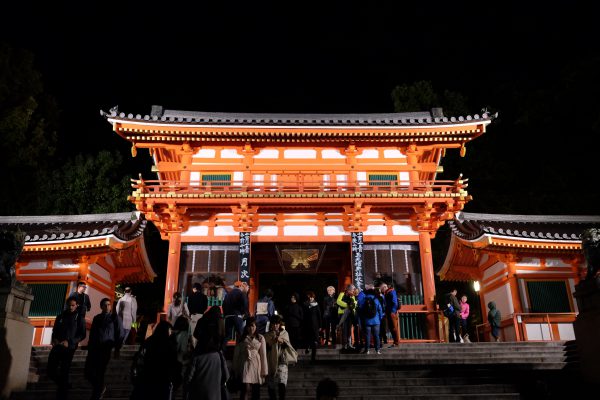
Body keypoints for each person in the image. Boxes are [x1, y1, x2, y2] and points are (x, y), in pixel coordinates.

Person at [85, 298, 124, 400]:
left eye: (109, 305)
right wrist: (89, 346)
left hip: (106, 348)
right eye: (105, 305)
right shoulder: (96, 318)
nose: (107, 307)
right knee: (87, 372)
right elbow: (92, 333)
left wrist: (117, 348)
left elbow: (120, 333)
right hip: (94, 348)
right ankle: (101, 388)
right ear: (101, 307)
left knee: (100, 372)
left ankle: (96, 395)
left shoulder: (115, 317)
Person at [185, 306, 228, 400]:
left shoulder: (202, 319)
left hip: (201, 349)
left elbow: (195, 334)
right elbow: (223, 336)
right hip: (216, 351)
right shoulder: (220, 320)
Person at [47, 298, 86, 400]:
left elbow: (82, 334)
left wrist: (70, 342)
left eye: (73, 305)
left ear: (76, 305)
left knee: (64, 371)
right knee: (50, 371)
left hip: (69, 348)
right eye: (69, 305)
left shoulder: (80, 318)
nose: (70, 307)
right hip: (57, 346)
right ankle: (65, 385)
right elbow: (54, 330)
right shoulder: (60, 316)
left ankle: (62, 395)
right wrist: (54, 338)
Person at [130, 320, 179, 400]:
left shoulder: (148, 342)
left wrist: (136, 377)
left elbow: (139, 360)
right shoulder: (169, 346)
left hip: (146, 379)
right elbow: (173, 365)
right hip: (162, 382)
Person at [233, 317, 268, 400]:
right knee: (245, 389)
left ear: (256, 326)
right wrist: (235, 369)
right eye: (249, 326)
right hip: (245, 363)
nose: (251, 328)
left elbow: (263, 355)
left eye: (253, 326)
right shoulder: (242, 338)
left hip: (256, 365)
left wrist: (264, 371)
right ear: (246, 327)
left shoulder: (260, 338)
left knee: (256, 391)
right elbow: (236, 354)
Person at [264, 315, 292, 400]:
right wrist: (272, 341)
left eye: (277, 323)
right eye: (274, 323)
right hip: (271, 362)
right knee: (271, 385)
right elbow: (265, 347)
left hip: (282, 361)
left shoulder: (284, 333)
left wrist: (280, 340)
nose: (276, 325)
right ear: (271, 324)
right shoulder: (267, 335)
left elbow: (287, 345)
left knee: (282, 384)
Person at [222, 281, 250, 346]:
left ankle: (221, 350)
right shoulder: (241, 294)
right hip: (237, 315)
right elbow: (244, 305)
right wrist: (244, 314)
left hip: (228, 316)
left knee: (227, 336)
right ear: (242, 286)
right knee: (241, 334)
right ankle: (240, 350)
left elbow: (223, 305)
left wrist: (225, 314)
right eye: (247, 287)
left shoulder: (228, 294)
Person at [170, 316, 192, 394]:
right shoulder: (184, 334)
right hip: (178, 361)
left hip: (170, 360)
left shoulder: (172, 333)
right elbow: (183, 350)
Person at [360, 285, 383, 355]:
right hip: (376, 321)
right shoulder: (376, 299)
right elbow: (380, 310)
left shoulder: (364, 299)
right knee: (376, 335)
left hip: (367, 321)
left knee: (367, 335)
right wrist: (380, 318)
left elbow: (361, 309)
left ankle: (367, 350)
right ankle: (378, 350)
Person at [303, 291, 322, 362]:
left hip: (315, 325)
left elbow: (319, 315)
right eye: (309, 297)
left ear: (313, 297)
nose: (310, 298)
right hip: (308, 324)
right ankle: (307, 348)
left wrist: (320, 325)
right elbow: (304, 315)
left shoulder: (316, 304)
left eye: (312, 297)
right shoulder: (305, 304)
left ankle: (313, 357)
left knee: (315, 341)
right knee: (308, 338)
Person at [188, 282, 208, 347]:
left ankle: (194, 347)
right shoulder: (204, 296)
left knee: (193, 332)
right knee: (201, 332)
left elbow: (189, 306)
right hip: (201, 316)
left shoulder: (191, 296)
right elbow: (205, 307)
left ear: (195, 288)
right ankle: (200, 346)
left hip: (193, 316)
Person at [336, 285, 356, 350]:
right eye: (353, 289)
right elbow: (338, 301)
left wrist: (351, 306)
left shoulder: (352, 296)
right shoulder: (342, 294)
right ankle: (344, 345)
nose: (353, 291)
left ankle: (349, 344)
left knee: (349, 329)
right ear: (349, 289)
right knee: (344, 329)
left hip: (350, 314)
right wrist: (347, 305)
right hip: (342, 314)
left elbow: (354, 304)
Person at [382, 283, 400, 348]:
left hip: (392, 313)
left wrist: (393, 311)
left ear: (384, 287)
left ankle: (396, 342)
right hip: (388, 312)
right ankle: (395, 342)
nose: (382, 290)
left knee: (394, 328)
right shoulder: (387, 293)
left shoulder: (392, 292)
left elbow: (395, 302)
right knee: (391, 328)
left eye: (382, 289)